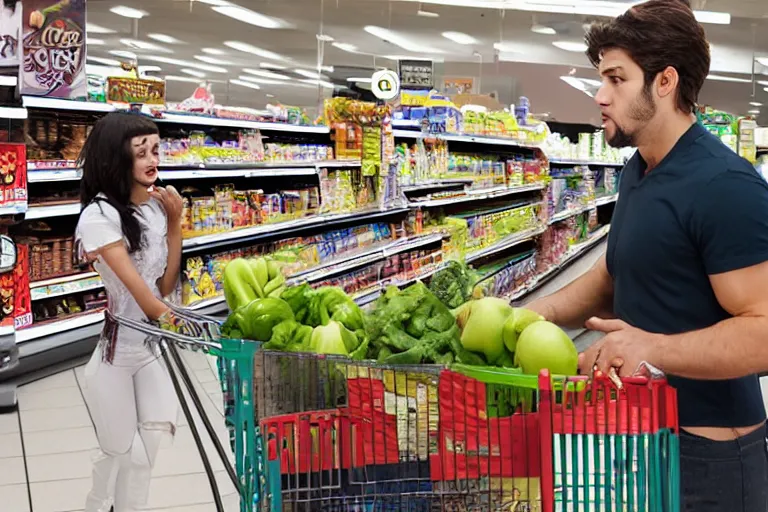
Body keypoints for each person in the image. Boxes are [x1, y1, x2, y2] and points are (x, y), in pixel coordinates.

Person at [526, 1, 768, 510]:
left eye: (616, 79)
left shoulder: (725, 186)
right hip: (641, 437)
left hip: (708, 456)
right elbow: (611, 276)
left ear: (665, 82)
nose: (600, 95)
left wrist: (649, 349)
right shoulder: (638, 170)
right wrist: (525, 317)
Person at [74, 112, 184, 512]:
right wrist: (183, 322)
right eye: (141, 153)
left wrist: (174, 223)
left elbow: (165, 287)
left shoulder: (154, 211)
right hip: (115, 357)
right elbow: (146, 299)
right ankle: (98, 506)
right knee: (118, 452)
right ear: (115, 159)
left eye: (155, 150)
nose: (152, 160)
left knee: (147, 450)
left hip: (148, 350)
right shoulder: (98, 217)